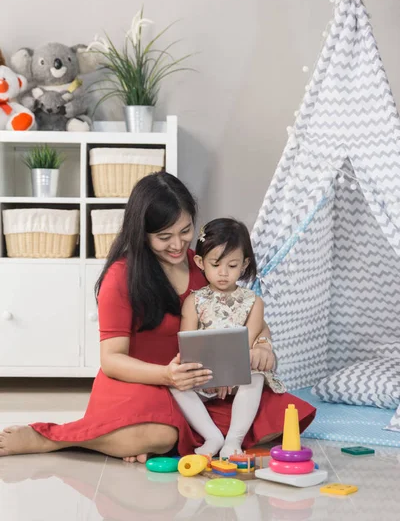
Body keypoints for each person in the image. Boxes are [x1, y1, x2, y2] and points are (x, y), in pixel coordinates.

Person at [0, 172, 315, 461]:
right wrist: (167, 376)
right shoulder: (121, 277)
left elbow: (247, 316)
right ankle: (53, 438)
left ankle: (144, 440)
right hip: (138, 381)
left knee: (281, 417)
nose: (178, 245)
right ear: (142, 233)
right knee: (161, 432)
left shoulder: (204, 265)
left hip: (196, 384)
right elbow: (112, 360)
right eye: (164, 236)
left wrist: (261, 345)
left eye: (185, 231)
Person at [171, 218, 286, 459]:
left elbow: (245, 345)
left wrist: (228, 372)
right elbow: (189, 342)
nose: (223, 273)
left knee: (255, 376)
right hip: (204, 373)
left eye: (232, 265)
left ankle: (234, 439)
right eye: (215, 264)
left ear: (244, 264)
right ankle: (212, 436)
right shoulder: (194, 301)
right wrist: (208, 373)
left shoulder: (254, 303)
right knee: (175, 384)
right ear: (200, 262)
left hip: (238, 371)